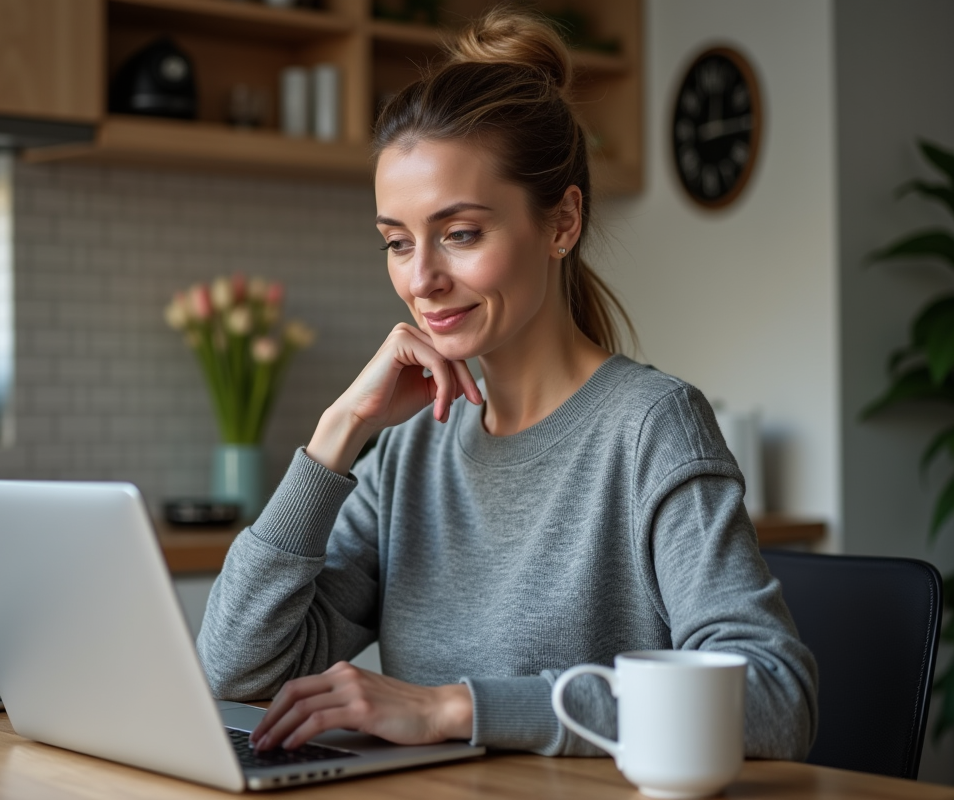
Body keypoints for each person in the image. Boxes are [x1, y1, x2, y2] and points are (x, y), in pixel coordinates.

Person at [198, 8, 818, 758]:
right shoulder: (411, 450)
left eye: (460, 234)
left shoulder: (652, 426)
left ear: (562, 223)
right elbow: (238, 668)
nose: (422, 279)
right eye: (397, 242)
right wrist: (338, 433)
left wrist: (455, 708)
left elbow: (775, 700)